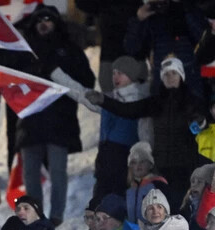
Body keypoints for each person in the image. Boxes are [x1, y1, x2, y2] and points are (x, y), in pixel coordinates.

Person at [86, 56, 203, 209]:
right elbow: (128, 110)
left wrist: (201, 121)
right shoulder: (155, 102)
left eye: (174, 73)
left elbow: (206, 122)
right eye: (166, 74)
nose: (170, 77)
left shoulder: (193, 101)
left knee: (184, 208)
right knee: (163, 209)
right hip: (161, 166)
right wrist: (103, 101)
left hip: (185, 165)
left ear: (181, 75)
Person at [15, 5, 96, 227]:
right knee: (30, 173)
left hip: (60, 120)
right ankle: (34, 215)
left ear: (56, 23)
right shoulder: (24, 51)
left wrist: (60, 75)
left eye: (48, 19)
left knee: (58, 171)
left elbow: (87, 82)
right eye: (39, 19)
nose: (43, 23)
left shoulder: (70, 49)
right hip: (30, 120)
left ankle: (57, 216)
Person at [91, 55, 152, 202]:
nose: (115, 77)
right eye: (113, 73)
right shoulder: (108, 97)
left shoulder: (141, 98)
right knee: (99, 205)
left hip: (125, 159)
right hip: (104, 159)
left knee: (119, 204)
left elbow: (145, 132)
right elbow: (80, 94)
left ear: (131, 75)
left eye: (120, 73)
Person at [123, 0, 206, 98]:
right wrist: (139, 19)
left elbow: (204, 38)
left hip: (189, 77)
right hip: (161, 78)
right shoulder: (150, 16)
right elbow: (131, 48)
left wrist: (185, 8)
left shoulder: (189, 8)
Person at [125, 141, 170, 223]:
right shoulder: (129, 188)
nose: (138, 165)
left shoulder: (158, 184)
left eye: (142, 161)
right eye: (134, 162)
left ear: (150, 164)